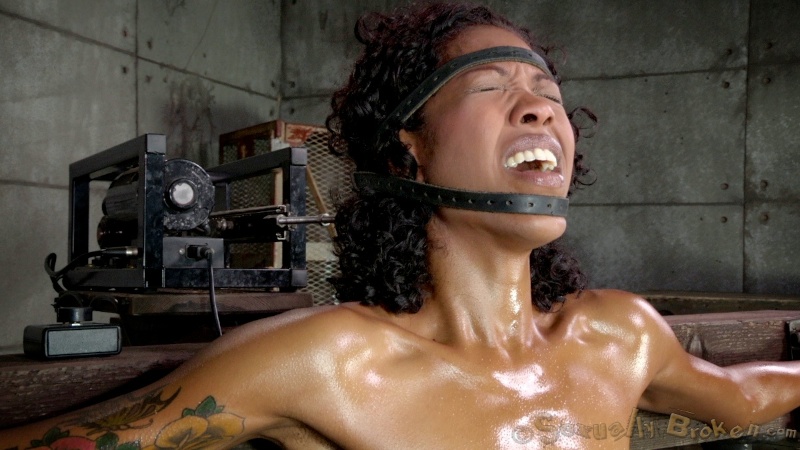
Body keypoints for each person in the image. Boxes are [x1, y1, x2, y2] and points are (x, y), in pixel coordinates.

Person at [2, 2, 800, 449]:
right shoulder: (328, 362)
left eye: (548, 94)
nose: (540, 108)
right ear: (405, 149)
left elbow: (740, 395)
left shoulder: (620, 335)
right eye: (492, 85)